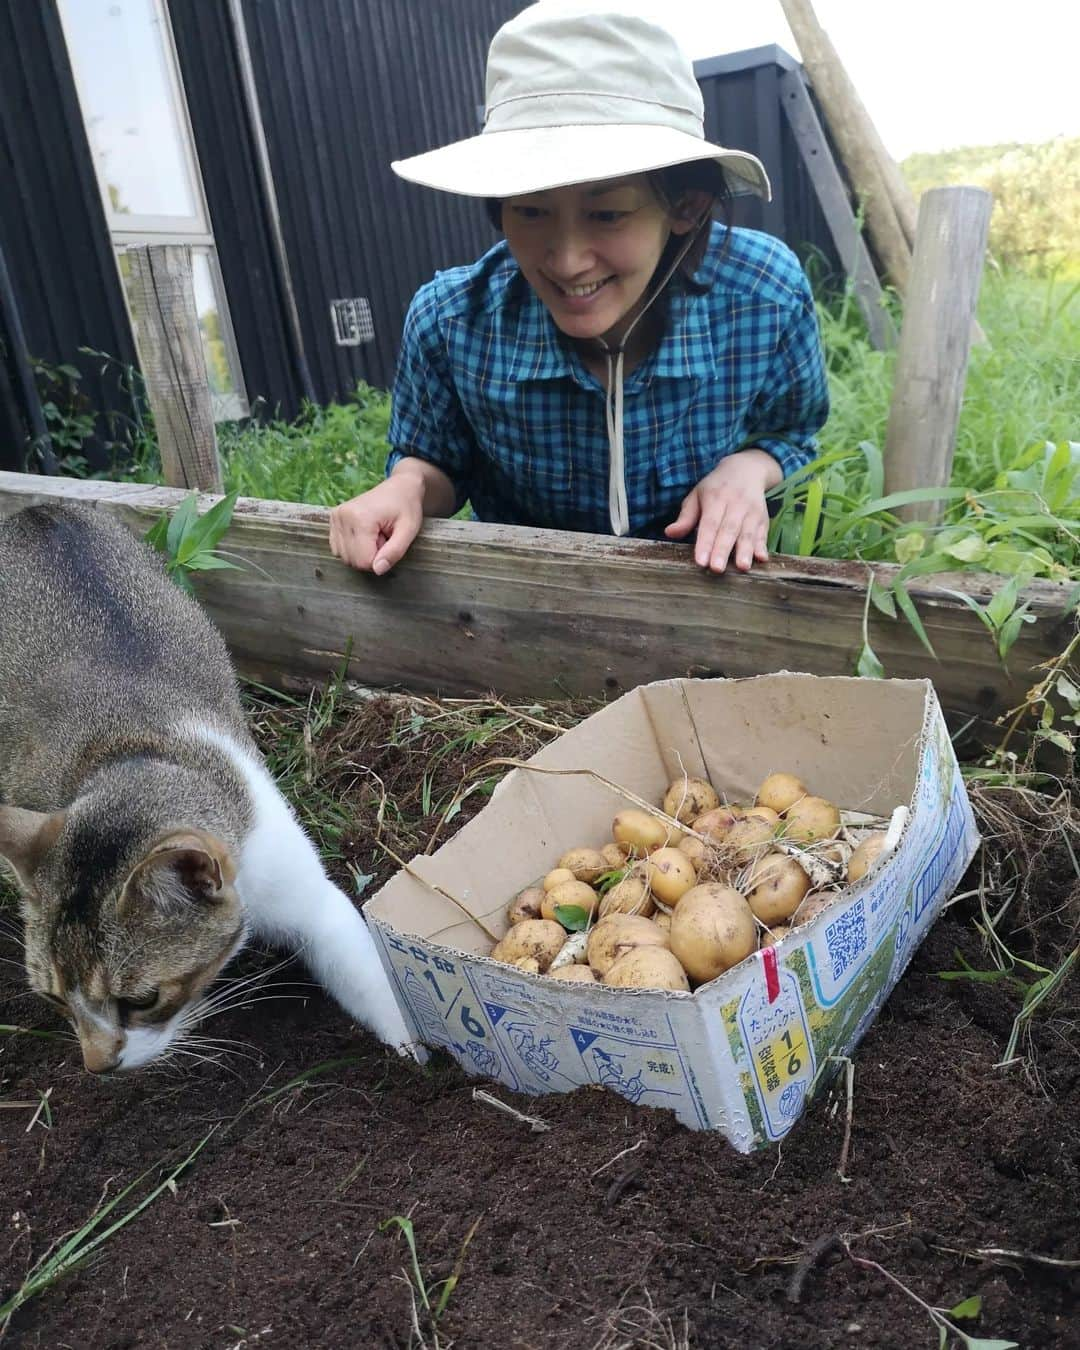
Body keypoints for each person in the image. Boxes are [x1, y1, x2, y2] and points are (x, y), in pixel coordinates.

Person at [329, 3, 828, 576]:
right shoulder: (450, 321)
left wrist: (751, 465)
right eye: (531, 210)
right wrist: (408, 488)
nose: (566, 261)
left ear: (685, 206)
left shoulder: (764, 295)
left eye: (608, 213)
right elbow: (436, 462)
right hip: (523, 605)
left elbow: (793, 430)